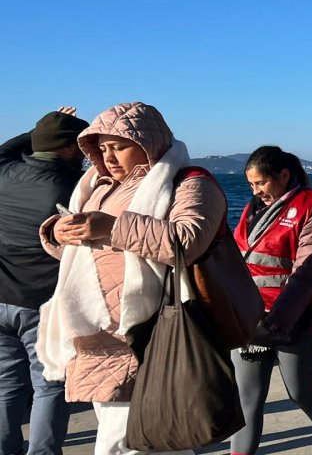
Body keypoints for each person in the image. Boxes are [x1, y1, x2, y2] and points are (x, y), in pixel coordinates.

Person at [36, 102, 226, 455]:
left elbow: (187, 241)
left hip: (150, 330)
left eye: (119, 146)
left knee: (134, 439)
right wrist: (59, 234)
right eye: (102, 148)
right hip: (98, 333)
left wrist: (111, 226)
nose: (109, 157)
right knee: (142, 437)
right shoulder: (96, 185)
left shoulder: (189, 182)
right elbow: (95, 256)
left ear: (148, 143)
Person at [231, 146, 312, 455]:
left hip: (296, 318)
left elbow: (308, 267)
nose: (256, 192)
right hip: (249, 319)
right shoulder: (252, 210)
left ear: (284, 176)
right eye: (251, 185)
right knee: (247, 400)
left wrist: (278, 321)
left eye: (262, 183)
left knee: (300, 390)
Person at [0, 108, 87, 455]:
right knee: (50, 385)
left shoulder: (3, 174)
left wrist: (38, 130)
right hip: (42, 305)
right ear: (67, 149)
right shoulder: (70, 189)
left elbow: (5, 149)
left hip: (1, 296)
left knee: (7, 384)